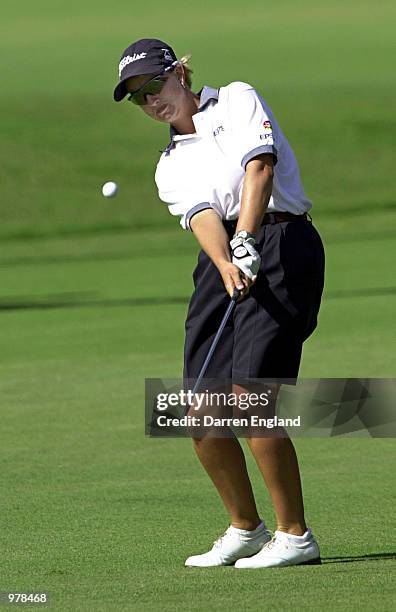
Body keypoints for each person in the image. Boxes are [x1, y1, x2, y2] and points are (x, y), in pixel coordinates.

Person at [114, 38, 325, 568]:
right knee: (200, 408)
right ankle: (245, 528)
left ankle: (295, 535)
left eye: (154, 85)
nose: (152, 101)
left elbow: (260, 167)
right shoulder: (169, 164)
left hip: (280, 242)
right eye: (139, 98)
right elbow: (203, 216)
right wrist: (228, 260)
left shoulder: (235, 99)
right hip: (222, 258)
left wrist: (248, 240)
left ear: (179, 73)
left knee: (251, 396)